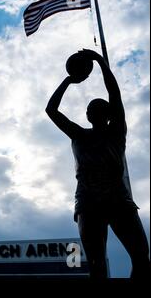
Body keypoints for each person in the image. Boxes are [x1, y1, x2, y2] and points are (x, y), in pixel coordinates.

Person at [45, 49, 150, 278]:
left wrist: (101, 62)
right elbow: (51, 110)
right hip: (88, 201)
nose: (90, 110)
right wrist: (69, 80)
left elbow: (114, 93)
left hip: (118, 198)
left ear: (107, 113)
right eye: (89, 109)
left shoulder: (116, 131)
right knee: (96, 263)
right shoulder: (78, 135)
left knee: (142, 257)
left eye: (96, 108)